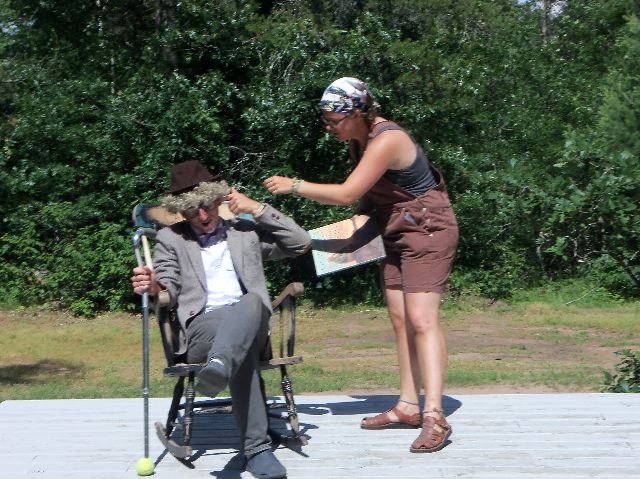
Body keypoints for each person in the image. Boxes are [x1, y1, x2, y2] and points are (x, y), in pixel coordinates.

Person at [263, 77, 459, 453]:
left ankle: (435, 415)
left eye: (334, 120)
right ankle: (408, 407)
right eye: (325, 120)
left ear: (357, 113)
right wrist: (339, 238)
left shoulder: (387, 139)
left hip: (427, 229)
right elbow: (370, 197)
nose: (329, 127)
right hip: (393, 228)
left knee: (423, 321)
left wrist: (294, 185)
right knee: (401, 320)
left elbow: (347, 193)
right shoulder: (360, 140)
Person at [131, 160, 311, 479]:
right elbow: (167, 288)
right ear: (181, 210)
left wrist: (258, 208)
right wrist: (154, 285)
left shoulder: (244, 231)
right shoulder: (171, 239)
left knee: (251, 301)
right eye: (192, 211)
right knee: (237, 345)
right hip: (204, 330)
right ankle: (257, 450)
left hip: (252, 322)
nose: (202, 216)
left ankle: (221, 365)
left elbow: (300, 243)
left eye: (207, 206)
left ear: (218, 198)